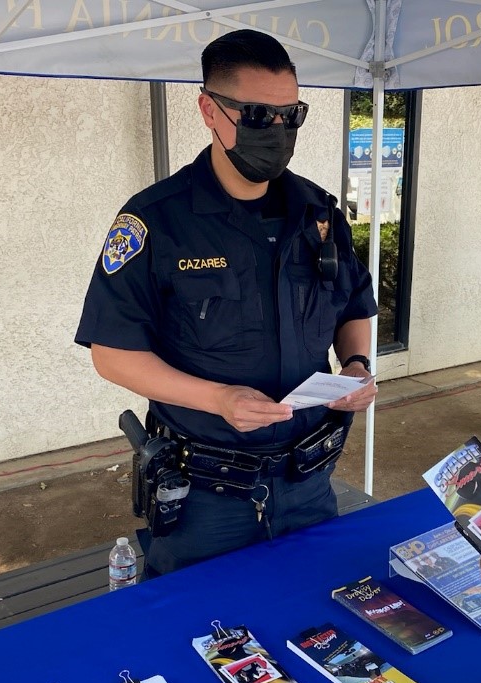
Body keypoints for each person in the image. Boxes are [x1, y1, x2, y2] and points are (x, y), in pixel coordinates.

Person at [75, 30, 377, 576]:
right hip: (206, 498)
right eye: (260, 116)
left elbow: (354, 304)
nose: (278, 132)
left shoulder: (318, 213)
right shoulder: (156, 221)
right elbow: (112, 353)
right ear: (209, 111)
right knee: (203, 636)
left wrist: (356, 365)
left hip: (308, 481)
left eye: (292, 115)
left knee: (319, 618)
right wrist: (218, 399)